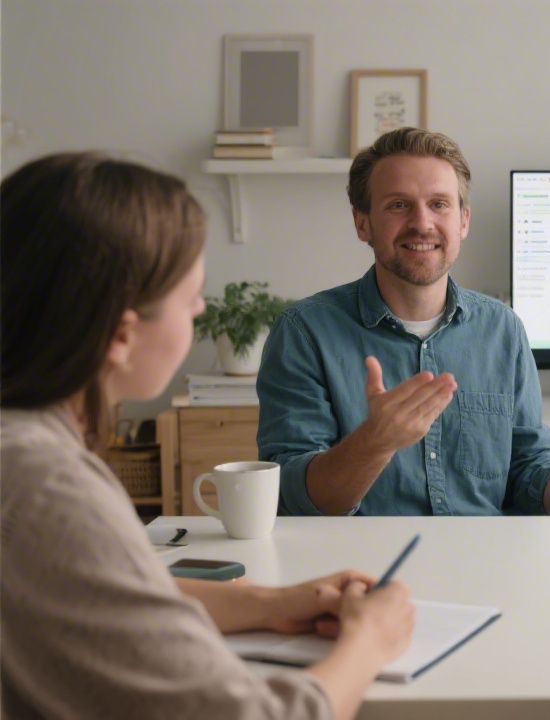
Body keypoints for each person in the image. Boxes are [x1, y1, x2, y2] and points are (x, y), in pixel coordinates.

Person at [0, 153, 417, 720]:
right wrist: (370, 642)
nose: (200, 311)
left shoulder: (23, 451)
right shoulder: (48, 489)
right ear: (121, 335)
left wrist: (270, 603)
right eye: (190, 296)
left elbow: (102, 596)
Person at [257, 128, 550, 516]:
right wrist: (374, 443)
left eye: (439, 204)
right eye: (398, 205)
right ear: (362, 222)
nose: (422, 223)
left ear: (463, 220)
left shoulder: (503, 329)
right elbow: (293, 500)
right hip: (362, 578)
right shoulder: (304, 331)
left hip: (485, 568)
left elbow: (529, 475)